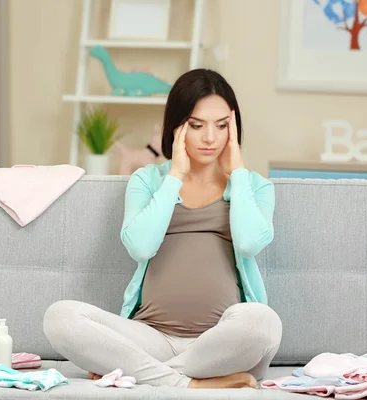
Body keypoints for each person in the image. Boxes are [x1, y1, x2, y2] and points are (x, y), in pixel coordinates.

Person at [43, 69, 282, 389]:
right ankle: (192, 384)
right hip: (149, 336)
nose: (210, 137)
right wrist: (175, 176)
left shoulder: (254, 186)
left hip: (221, 342)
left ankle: (144, 372)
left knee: (264, 322)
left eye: (222, 125)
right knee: (60, 317)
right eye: (197, 126)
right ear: (177, 127)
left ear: (233, 128)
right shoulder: (148, 180)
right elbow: (140, 247)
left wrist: (237, 172)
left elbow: (251, 243)